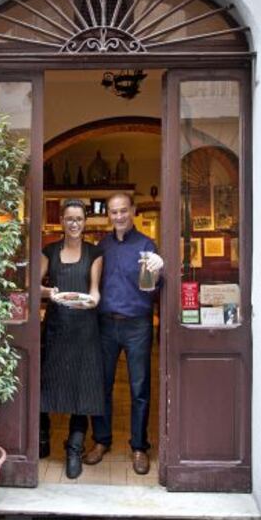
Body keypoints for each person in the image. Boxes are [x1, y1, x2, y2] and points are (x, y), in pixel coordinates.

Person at [84, 193, 163, 475]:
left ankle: (139, 447)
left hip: (137, 325)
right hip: (105, 324)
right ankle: (101, 441)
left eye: (123, 211)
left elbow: (154, 287)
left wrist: (158, 268)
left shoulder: (146, 246)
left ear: (133, 211)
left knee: (139, 388)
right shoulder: (102, 246)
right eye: (114, 212)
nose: (118, 216)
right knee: (101, 385)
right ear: (109, 215)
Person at [40, 199, 104, 479]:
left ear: (85, 222)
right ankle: (42, 438)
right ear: (62, 221)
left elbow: (94, 291)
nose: (74, 223)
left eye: (79, 219)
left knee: (84, 389)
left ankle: (74, 448)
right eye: (69, 219)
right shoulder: (50, 251)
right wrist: (48, 294)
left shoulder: (95, 253)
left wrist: (91, 301)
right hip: (56, 328)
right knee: (47, 385)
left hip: (85, 330)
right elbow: (34, 284)